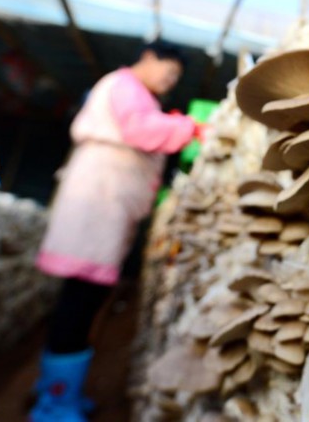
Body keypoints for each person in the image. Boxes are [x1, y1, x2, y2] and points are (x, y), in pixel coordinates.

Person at [29, 40, 207, 422]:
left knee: (85, 297)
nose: (171, 81)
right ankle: (55, 402)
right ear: (149, 57)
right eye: (170, 71)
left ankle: (58, 389)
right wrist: (190, 127)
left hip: (104, 204)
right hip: (96, 200)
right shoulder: (125, 85)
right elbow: (140, 130)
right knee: (79, 299)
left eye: (176, 77)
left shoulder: (138, 94)